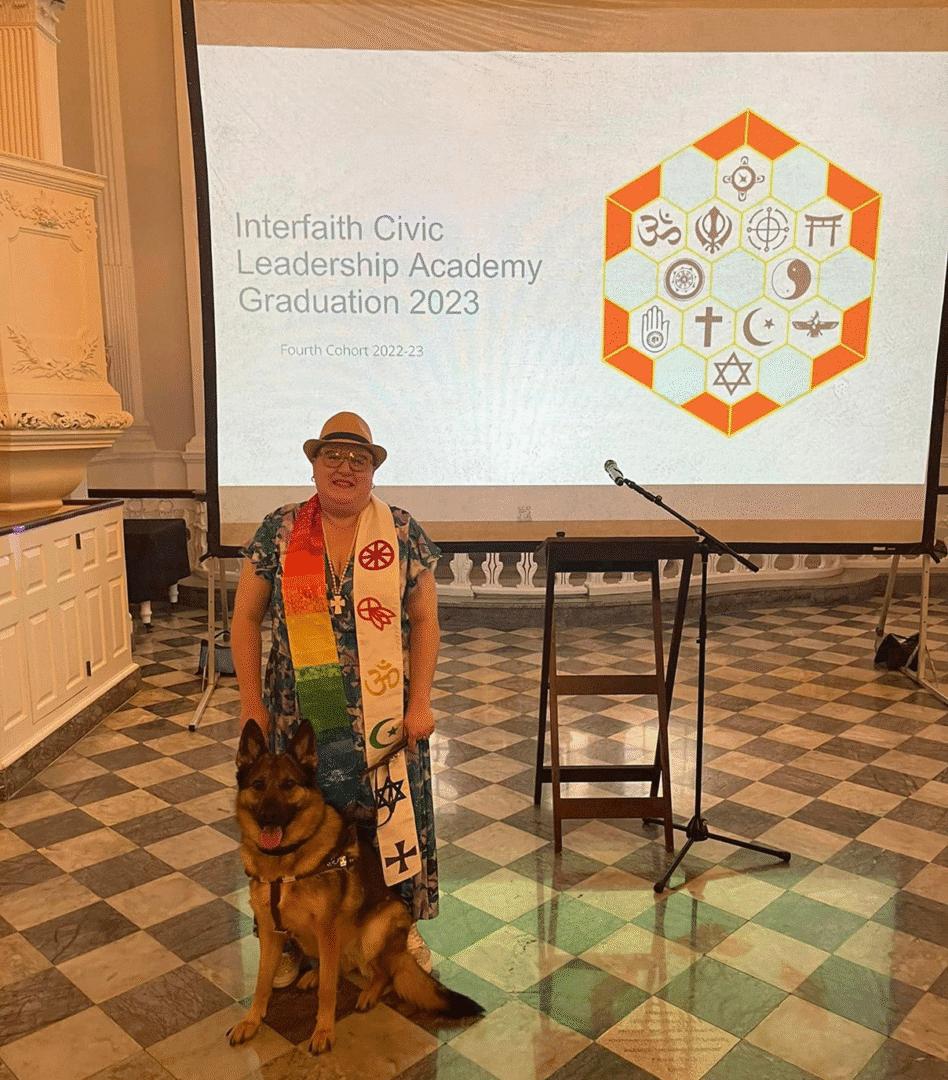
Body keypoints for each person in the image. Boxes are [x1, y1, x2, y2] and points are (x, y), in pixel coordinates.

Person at [232, 411, 441, 986]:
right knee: (291, 826)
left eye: (358, 459)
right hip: (298, 715)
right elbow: (245, 618)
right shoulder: (280, 530)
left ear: (372, 470)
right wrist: (251, 703)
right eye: (333, 456)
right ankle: (287, 938)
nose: (345, 468)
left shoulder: (402, 531)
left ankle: (394, 928)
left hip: (384, 714)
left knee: (387, 822)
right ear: (314, 464)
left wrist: (420, 703)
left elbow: (425, 622)